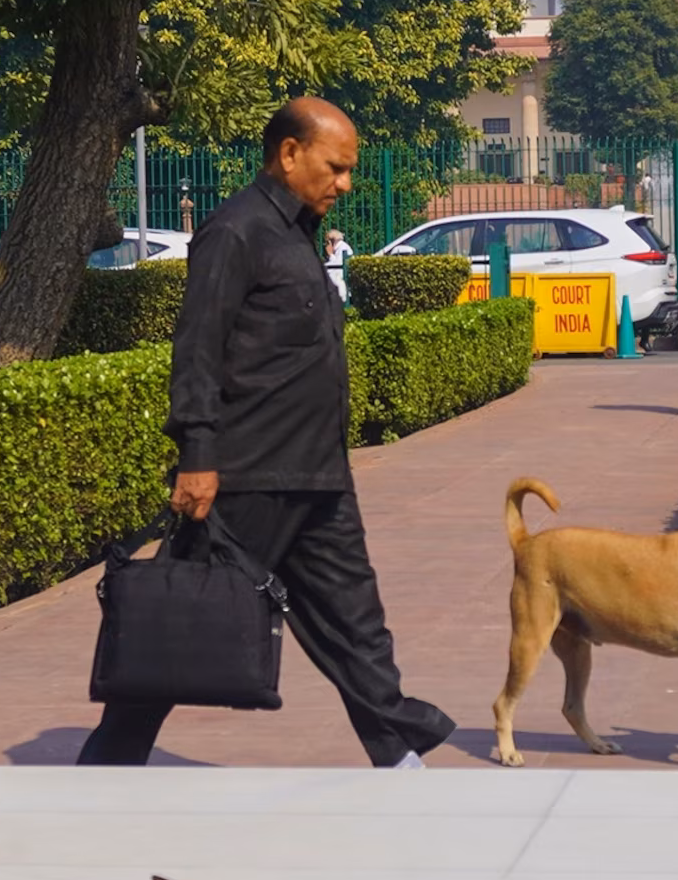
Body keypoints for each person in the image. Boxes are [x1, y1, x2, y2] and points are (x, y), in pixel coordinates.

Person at [77, 97, 458, 768]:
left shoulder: (298, 232)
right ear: (289, 154)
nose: (345, 184)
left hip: (316, 476)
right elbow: (197, 350)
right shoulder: (236, 231)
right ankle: (106, 768)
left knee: (357, 627)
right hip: (245, 479)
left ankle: (401, 763)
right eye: (336, 168)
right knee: (175, 632)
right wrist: (197, 454)